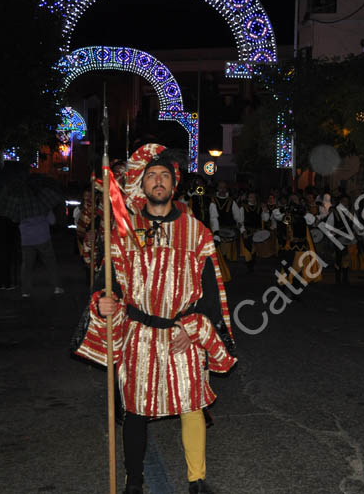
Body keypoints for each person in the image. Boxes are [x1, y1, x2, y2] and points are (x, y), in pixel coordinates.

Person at [75, 145, 237, 493]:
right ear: (142, 185)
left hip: (183, 332)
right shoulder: (124, 232)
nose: (158, 181)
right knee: (135, 409)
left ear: (174, 184)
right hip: (140, 334)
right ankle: (135, 481)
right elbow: (109, 284)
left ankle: (196, 479)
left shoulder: (197, 233)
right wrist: (102, 303)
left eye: (164, 175)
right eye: (151, 176)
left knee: (192, 405)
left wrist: (193, 329)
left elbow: (210, 292)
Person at [19, 209, 63, 298]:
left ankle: (25, 291)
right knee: (50, 263)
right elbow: (52, 221)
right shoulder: (42, 205)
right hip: (43, 237)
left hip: (27, 239)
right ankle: (56, 286)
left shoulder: (22, 206)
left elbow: (15, 219)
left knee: (27, 265)